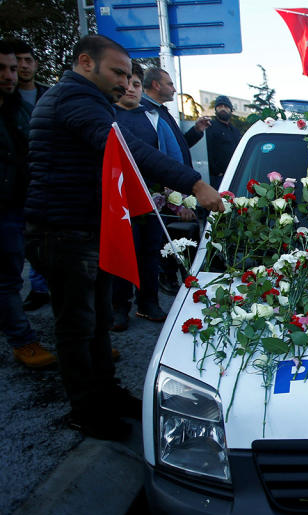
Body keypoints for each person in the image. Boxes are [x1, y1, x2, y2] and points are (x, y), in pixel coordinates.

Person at [24, 35, 223, 441]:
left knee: (96, 323)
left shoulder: (85, 98)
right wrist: (194, 183)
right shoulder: (74, 101)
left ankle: (107, 395)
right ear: (85, 62)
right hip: (64, 233)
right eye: (117, 72)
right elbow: (125, 148)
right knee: (78, 329)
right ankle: (88, 413)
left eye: (128, 74)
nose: (123, 81)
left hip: (83, 229)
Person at [0, 40, 56, 369]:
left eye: (14, 67)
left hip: (30, 201)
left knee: (51, 266)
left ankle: (78, 340)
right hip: (6, 209)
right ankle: (23, 341)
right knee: (7, 279)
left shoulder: (20, 107)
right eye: (4, 68)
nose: (11, 74)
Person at [112, 61, 176, 328]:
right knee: (121, 254)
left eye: (136, 84)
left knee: (150, 253)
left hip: (151, 200)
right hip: (120, 200)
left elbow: (170, 157)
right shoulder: (108, 116)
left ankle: (148, 302)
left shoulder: (154, 118)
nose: (131, 89)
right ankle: (118, 308)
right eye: (127, 83)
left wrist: (175, 191)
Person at [13, 40, 51, 311]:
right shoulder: (7, 100)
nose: (22, 67)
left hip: (46, 184)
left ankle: (44, 286)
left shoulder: (49, 96)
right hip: (14, 187)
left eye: (27, 60)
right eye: (18, 62)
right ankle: (34, 290)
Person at [141, 67, 210, 166]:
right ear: (156, 85)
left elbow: (177, 147)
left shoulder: (161, 111)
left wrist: (197, 130)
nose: (174, 89)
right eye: (170, 84)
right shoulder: (147, 114)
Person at [206, 95, 242, 186]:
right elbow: (208, 151)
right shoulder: (210, 127)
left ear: (230, 110)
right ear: (215, 109)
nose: (223, 109)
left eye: (226, 107)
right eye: (220, 106)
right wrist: (216, 171)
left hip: (235, 175)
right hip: (217, 178)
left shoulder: (235, 131)